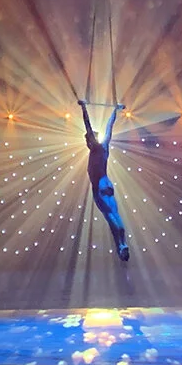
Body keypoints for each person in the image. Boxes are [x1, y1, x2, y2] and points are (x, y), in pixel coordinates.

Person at [78, 100, 129, 261]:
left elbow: (87, 124)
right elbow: (109, 127)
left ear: (90, 140)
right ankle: (122, 244)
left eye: (87, 140)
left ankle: (120, 246)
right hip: (107, 183)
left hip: (99, 186)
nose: (87, 142)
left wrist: (84, 108)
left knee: (109, 216)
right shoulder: (105, 146)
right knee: (115, 214)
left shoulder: (95, 148)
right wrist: (115, 111)